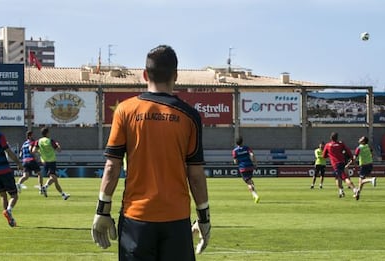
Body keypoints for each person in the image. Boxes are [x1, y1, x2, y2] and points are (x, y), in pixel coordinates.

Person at [91, 45, 210, 260]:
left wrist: (102, 209)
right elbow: (196, 175)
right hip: (176, 219)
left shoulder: (125, 110)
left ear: (145, 74)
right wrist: (204, 217)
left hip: (136, 219)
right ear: (176, 75)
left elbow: (112, 166)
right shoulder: (190, 116)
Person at [32, 127, 70, 200]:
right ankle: (45, 187)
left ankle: (63, 194)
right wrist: (58, 145)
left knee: (54, 179)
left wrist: (41, 152)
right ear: (47, 133)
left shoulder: (38, 141)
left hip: (44, 162)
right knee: (54, 178)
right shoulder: (51, 141)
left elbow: (33, 150)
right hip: (52, 161)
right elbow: (59, 150)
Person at [322, 132, 359, 199]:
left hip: (335, 164)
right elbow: (348, 151)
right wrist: (352, 159)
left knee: (344, 178)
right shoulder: (341, 144)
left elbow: (323, 156)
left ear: (331, 138)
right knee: (337, 177)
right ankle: (341, 191)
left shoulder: (328, 145)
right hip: (342, 163)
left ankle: (355, 189)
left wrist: (330, 154)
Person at [17, 131, 46, 196]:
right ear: (30, 136)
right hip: (31, 160)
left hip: (24, 161)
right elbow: (31, 150)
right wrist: (35, 157)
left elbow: (20, 154)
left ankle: (18, 184)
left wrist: (20, 162)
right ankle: (41, 188)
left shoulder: (24, 144)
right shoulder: (32, 142)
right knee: (39, 174)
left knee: (25, 176)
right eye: (32, 135)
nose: (33, 136)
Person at [232, 136, 260, 203]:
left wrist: (237, 161)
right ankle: (254, 194)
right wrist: (255, 163)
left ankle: (255, 195)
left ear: (236, 143)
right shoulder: (247, 148)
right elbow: (252, 155)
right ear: (242, 141)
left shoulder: (235, 151)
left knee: (248, 183)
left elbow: (235, 161)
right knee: (250, 181)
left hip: (243, 168)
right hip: (250, 166)